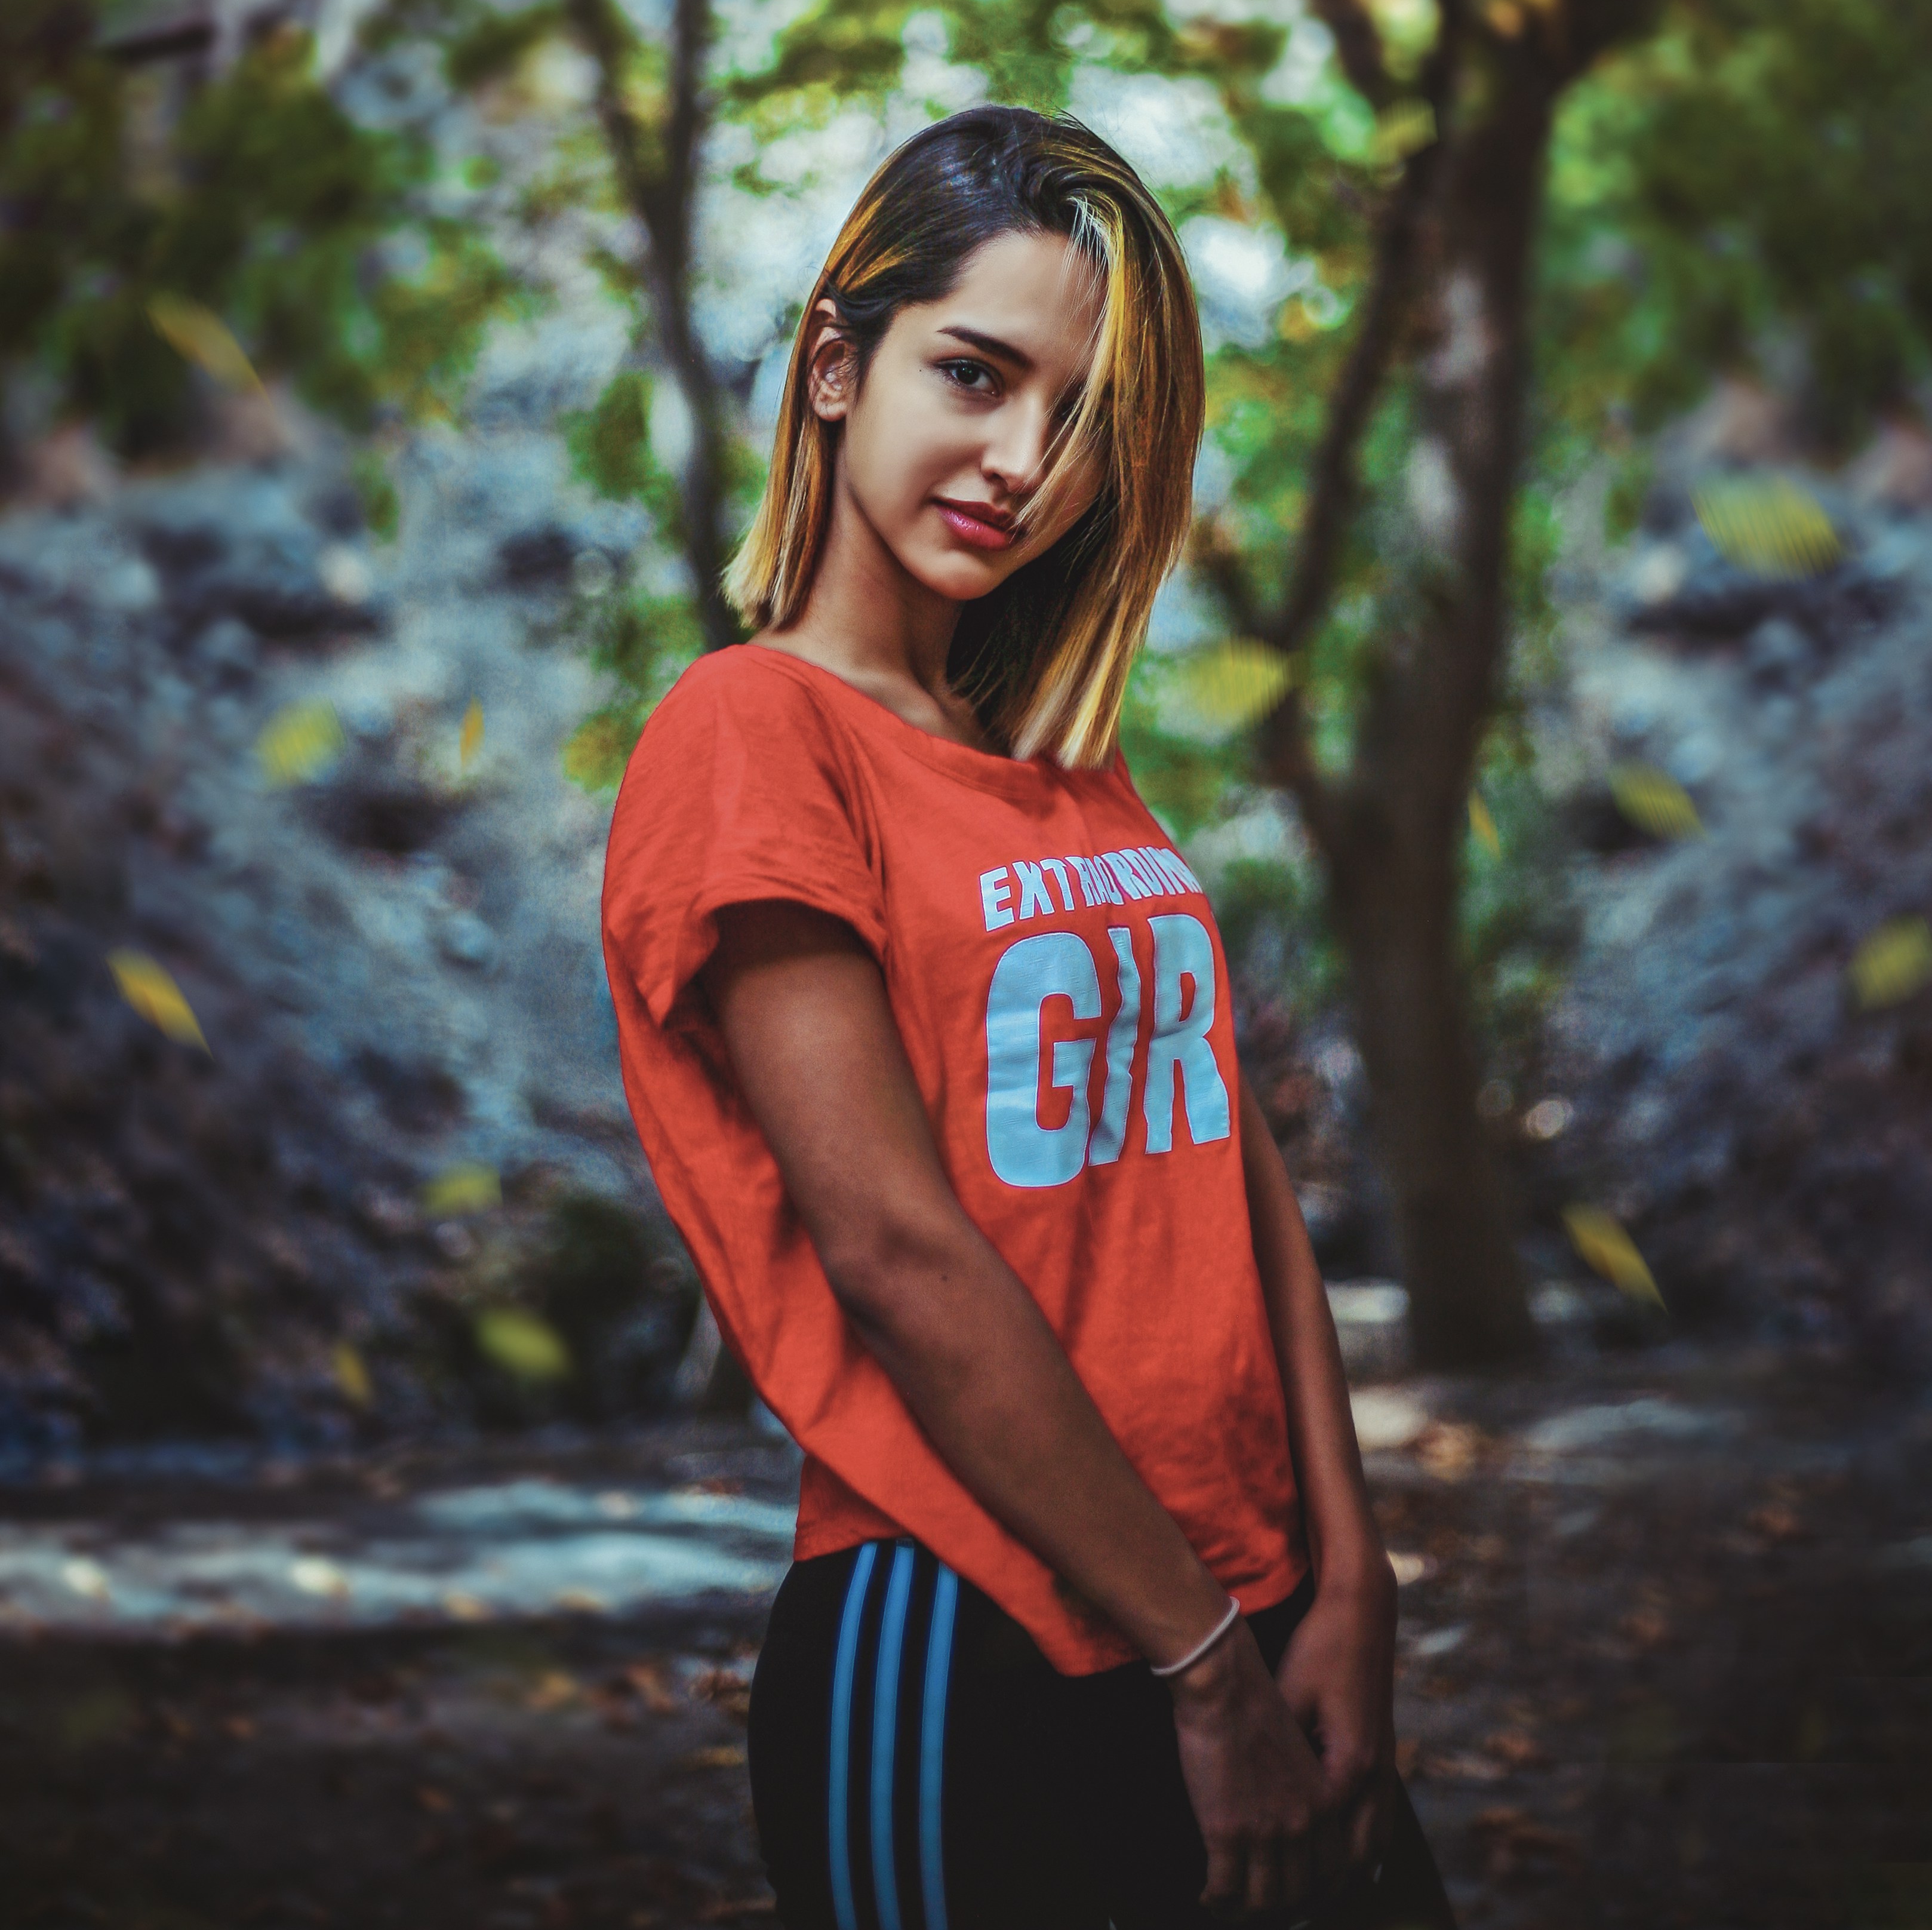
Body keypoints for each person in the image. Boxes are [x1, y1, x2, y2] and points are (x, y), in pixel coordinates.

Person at [602, 107, 1453, 1930]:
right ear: (836, 362)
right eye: (974, 375)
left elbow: (1220, 1165)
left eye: (1081, 422)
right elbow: (898, 1251)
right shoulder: (753, 732)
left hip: (1249, 1608)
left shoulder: (1054, 752)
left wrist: (1350, 1577)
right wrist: (1201, 1668)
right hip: (973, 1639)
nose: (1021, 461)